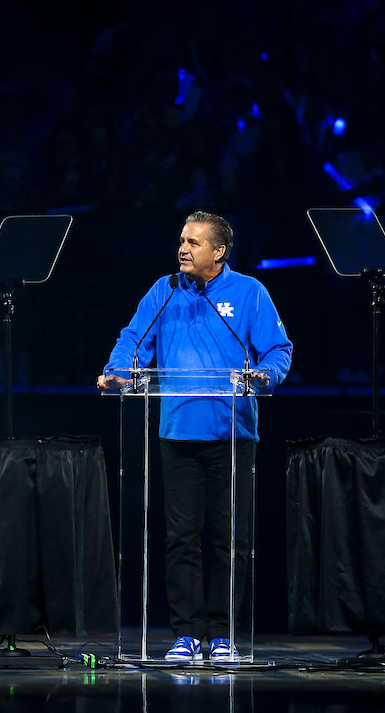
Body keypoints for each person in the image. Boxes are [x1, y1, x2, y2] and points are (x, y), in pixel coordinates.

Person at [97, 210, 292, 662]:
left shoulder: (249, 293)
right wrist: (118, 372)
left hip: (232, 434)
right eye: (182, 240)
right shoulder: (163, 292)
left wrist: (264, 375)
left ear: (218, 252)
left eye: (194, 242)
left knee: (229, 538)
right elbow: (133, 340)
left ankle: (223, 636)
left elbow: (278, 350)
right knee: (181, 537)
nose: (182, 249)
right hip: (177, 433)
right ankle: (186, 635)